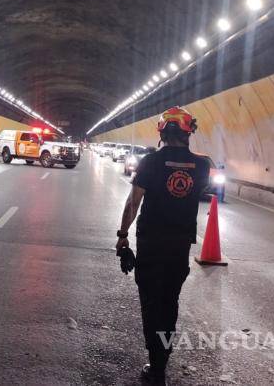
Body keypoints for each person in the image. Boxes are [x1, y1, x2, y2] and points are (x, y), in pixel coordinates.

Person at [115, 106, 211, 385]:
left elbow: (133, 202)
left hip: (150, 243)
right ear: (188, 131)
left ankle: (155, 365)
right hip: (179, 245)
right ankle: (162, 360)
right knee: (170, 302)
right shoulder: (203, 165)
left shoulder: (150, 162)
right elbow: (197, 190)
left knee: (150, 301)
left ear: (161, 132)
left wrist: (122, 235)